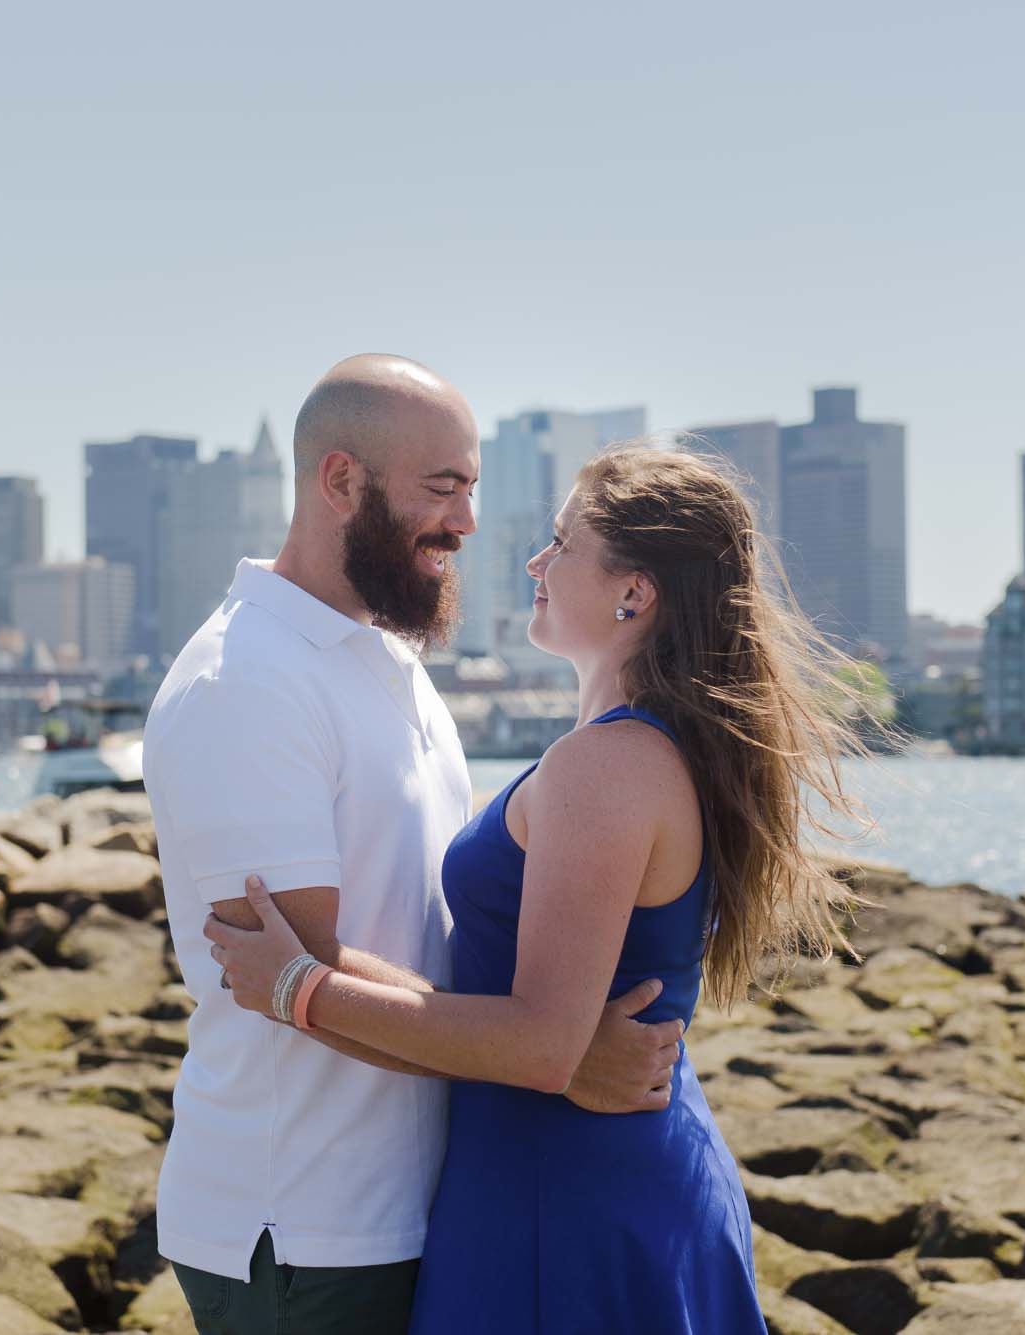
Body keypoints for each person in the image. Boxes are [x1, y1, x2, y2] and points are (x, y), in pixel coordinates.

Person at [208, 442, 874, 1334]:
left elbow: (541, 1044)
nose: (534, 562)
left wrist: (300, 989)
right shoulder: (638, 751)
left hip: (566, 1203)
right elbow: (519, 1017)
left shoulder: (608, 765)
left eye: (562, 542)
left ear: (633, 591)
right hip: (591, 1179)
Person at [142, 356, 688, 1335]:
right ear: (339, 480)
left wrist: (544, 1049)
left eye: (471, 486)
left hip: (414, 1204)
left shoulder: (386, 660)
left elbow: (420, 935)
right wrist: (553, 1059)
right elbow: (292, 972)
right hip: (305, 1228)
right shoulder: (245, 682)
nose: (468, 523)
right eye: (443, 488)